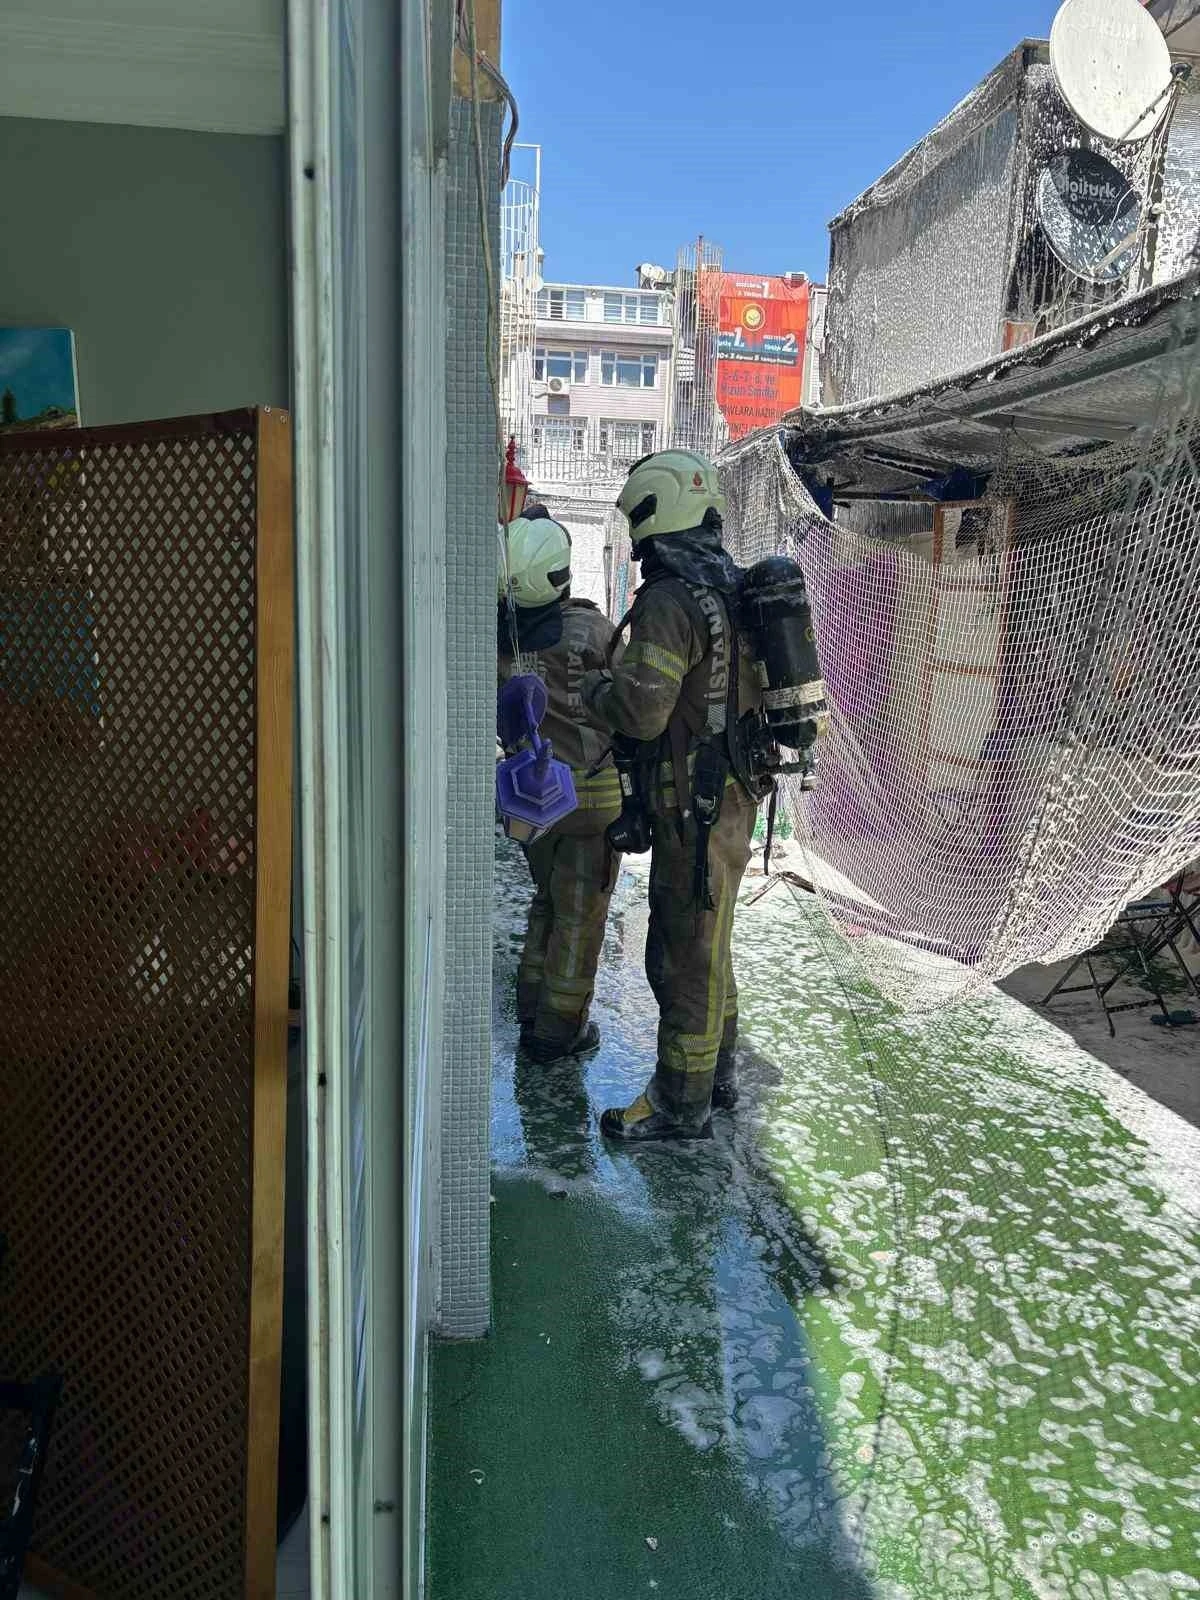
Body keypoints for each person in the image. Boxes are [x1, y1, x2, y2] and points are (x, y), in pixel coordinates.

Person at [580, 450, 767, 1143]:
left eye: (637, 519)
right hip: (733, 796)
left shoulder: (670, 600)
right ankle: (718, 1079)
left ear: (656, 513)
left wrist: (596, 690)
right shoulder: (733, 587)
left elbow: (642, 712)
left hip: (693, 804)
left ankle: (680, 1103)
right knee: (711, 944)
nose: (635, 536)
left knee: (682, 952)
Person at [498, 510, 622, 1063]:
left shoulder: (504, 638)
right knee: (581, 918)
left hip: (531, 802)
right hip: (592, 803)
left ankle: (530, 1007)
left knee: (546, 901)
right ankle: (558, 1031)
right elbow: (631, 708)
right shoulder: (594, 630)